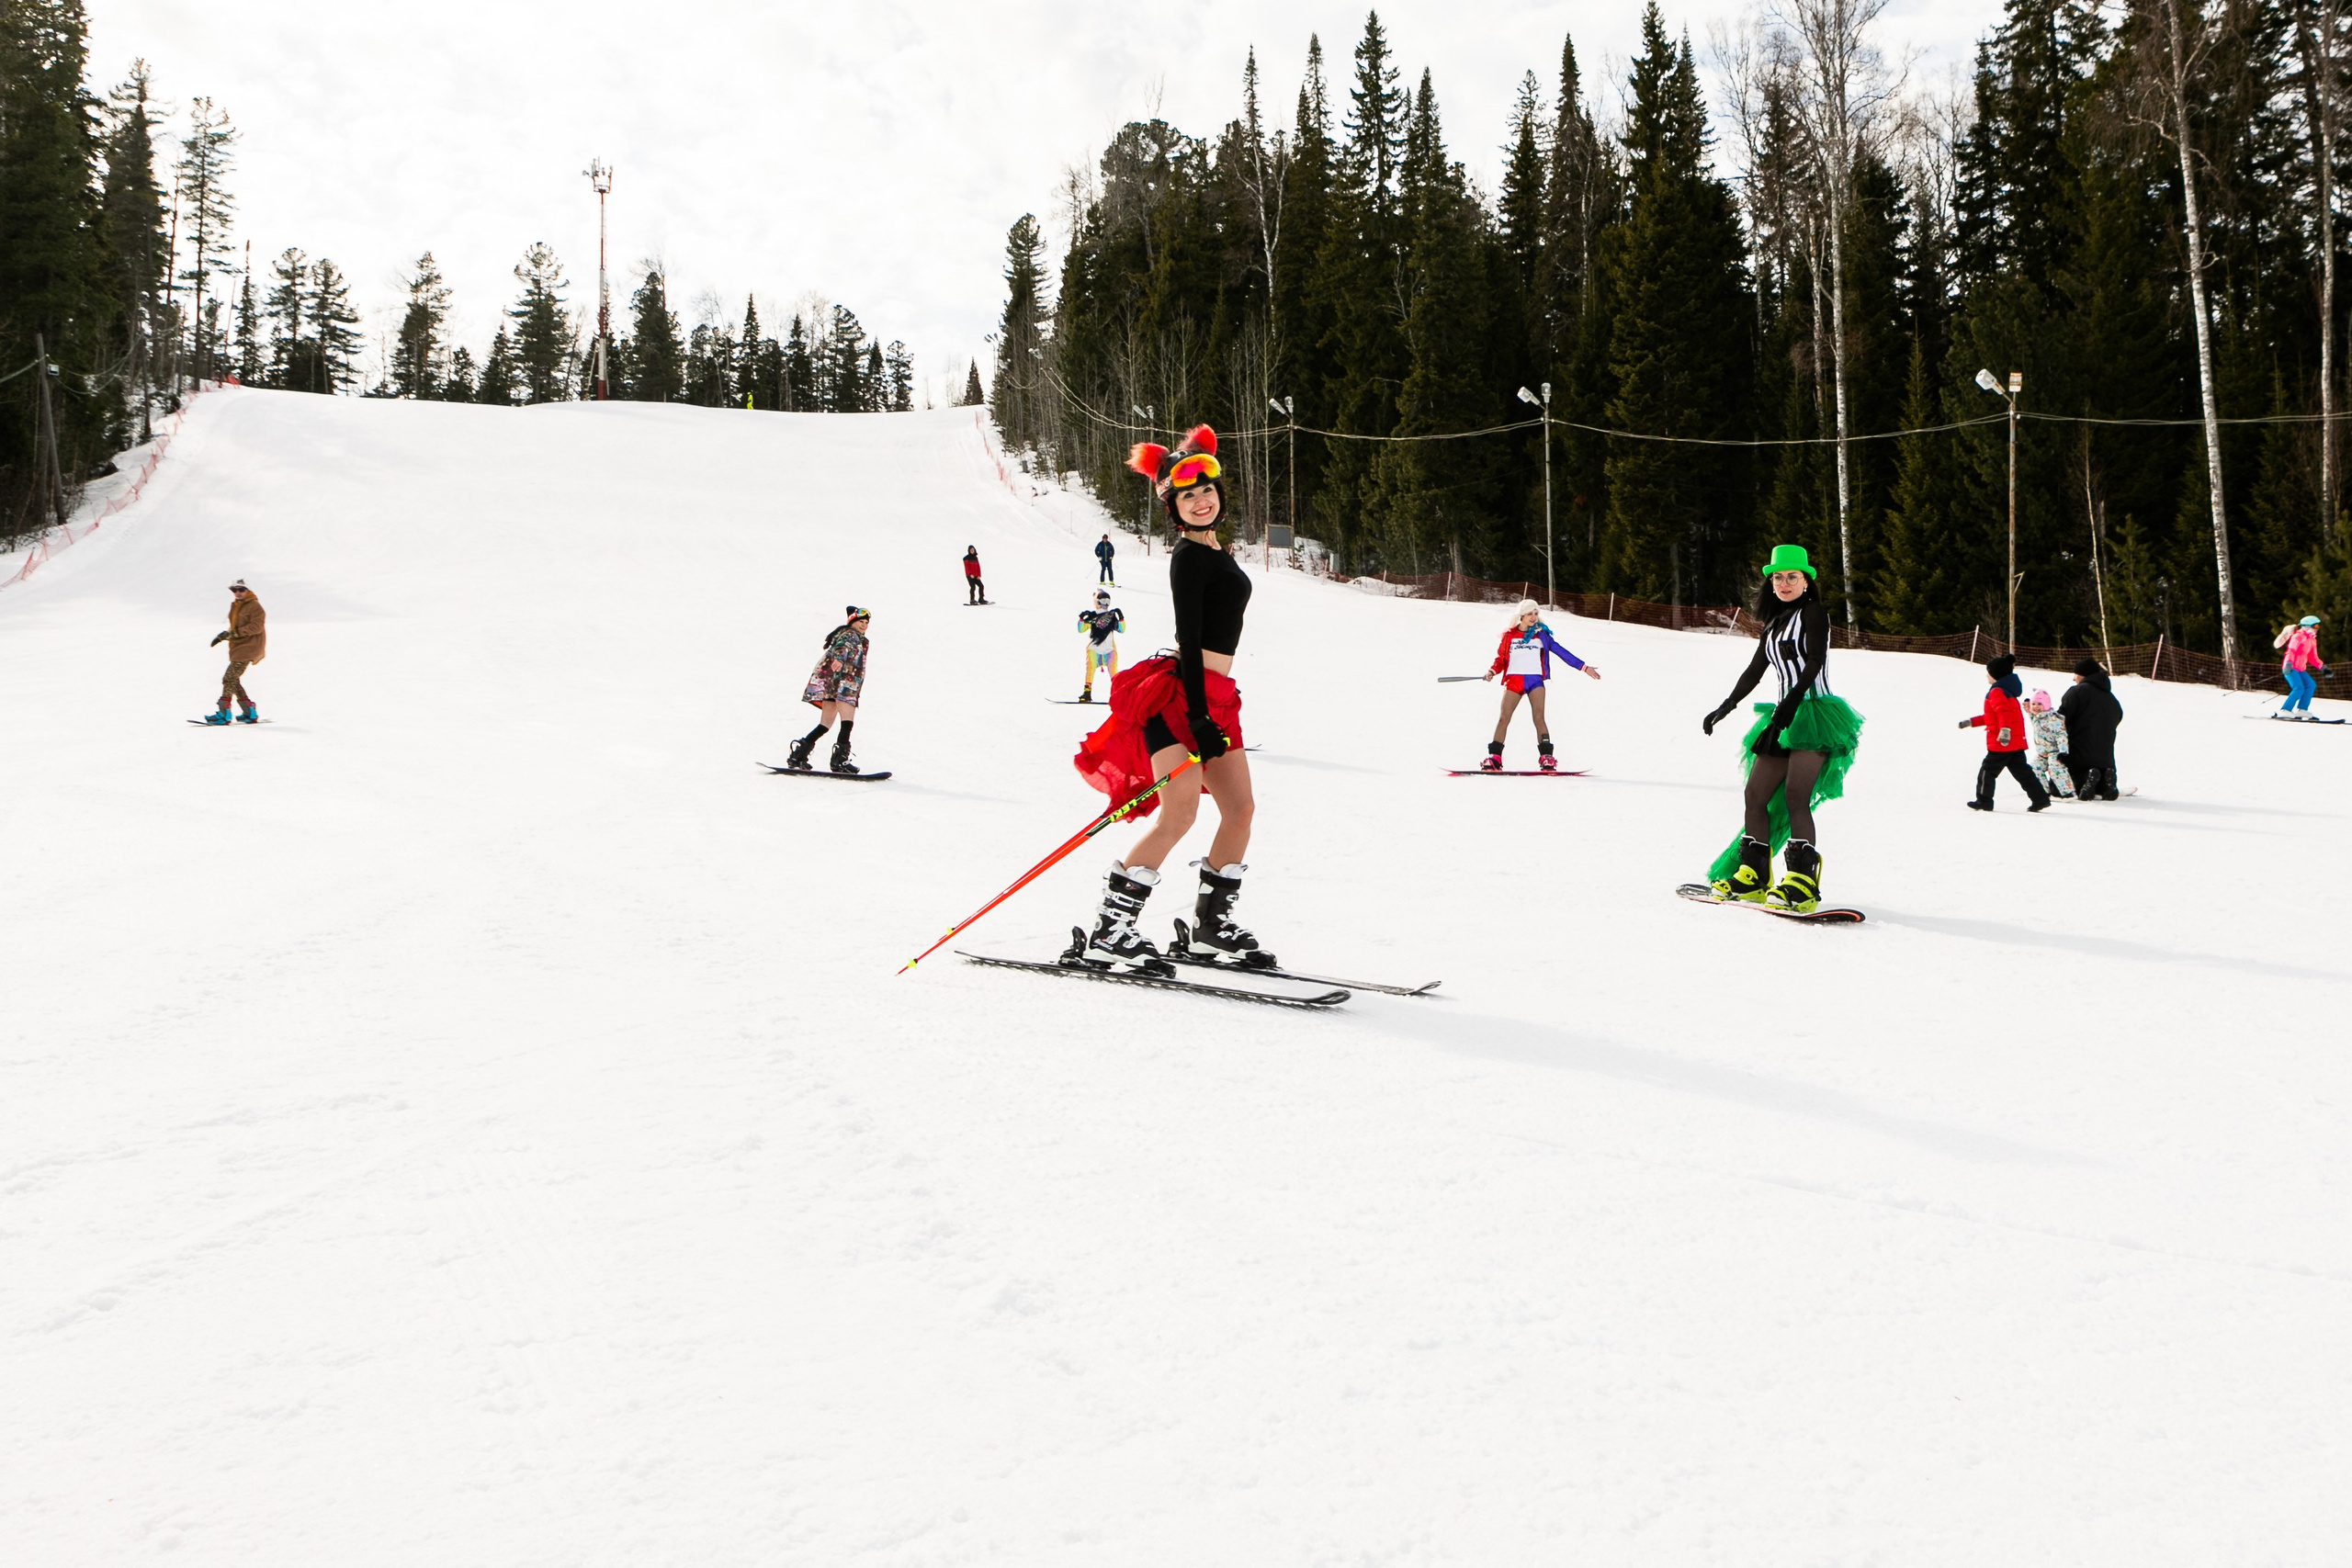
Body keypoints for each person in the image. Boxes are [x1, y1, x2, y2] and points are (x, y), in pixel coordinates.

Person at [1072, 424, 1268, 967]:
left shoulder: (1216, 551)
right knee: (1177, 814)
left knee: (1240, 810)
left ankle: (1210, 927)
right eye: (1188, 496)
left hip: (1217, 694)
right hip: (1182, 697)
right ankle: (1112, 928)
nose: (1201, 501)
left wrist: (1213, 710)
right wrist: (1200, 717)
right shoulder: (1188, 556)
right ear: (1174, 508)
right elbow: (1188, 636)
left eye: (1207, 491)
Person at [1700, 545, 1865, 912]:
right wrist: (1726, 706)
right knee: (1755, 795)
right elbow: (1755, 670)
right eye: (1778, 577)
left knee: (1794, 797)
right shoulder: (1775, 622)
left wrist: (1793, 702)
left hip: (1814, 715)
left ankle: (1802, 883)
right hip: (1781, 717)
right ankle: (1753, 877)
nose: (1785, 583)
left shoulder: (1814, 613)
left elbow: (1815, 661)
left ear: (1806, 581)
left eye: (1792, 576)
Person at [1480, 599, 1600, 771]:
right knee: (1503, 718)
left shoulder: (1541, 635)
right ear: (1521, 615)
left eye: (1536, 614)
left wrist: (1584, 667)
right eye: (1530, 613)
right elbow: (1501, 660)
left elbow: (1561, 652)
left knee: (1538, 717)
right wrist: (1492, 671)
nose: (1534, 617)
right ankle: (1495, 758)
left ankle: (1547, 758)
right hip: (1513, 681)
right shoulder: (1509, 636)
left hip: (1535, 681)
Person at [1961, 654, 2051, 812]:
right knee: (2023, 773)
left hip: (2002, 743)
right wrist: (1971, 722)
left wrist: (2004, 731)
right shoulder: (2007, 690)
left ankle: (1983, 801)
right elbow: (1993, 716)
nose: (1987, 675)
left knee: (1987, 771)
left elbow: (2003, 713)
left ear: (1995, 674)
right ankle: (2040, 798)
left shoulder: (1996, 691)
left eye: (1988, 671)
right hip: (2015, 742)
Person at [789, 606, 872, 773]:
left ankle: (799, 754)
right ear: (852, 622)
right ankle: (840, 761)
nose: (864, 625)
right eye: (861, 622)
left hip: (831, 685)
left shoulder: (854, 637)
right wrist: (839, 660)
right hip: (844, 685)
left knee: (825, 724)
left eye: (866, 622)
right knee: (847, 722)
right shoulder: (851, 635)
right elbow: (842, 648)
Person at [2059, 659, 2124, 799]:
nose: (2073, 678)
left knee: (2060, 786)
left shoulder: (2076, 692)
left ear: (2082, 675)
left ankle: (2085, 778)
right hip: (2105, 757)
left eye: (2075, 674)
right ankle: (2107, 780)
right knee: (2099, 778)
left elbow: (2061, 719)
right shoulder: (2110, 697)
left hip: (2079, 753)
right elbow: (2119, 716)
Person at [203, 579, 266, 724]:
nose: (237, 593)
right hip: (238, 648)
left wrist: (236, 633)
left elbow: (256, 626)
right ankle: (249, 710)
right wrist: (225, 635)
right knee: (233, 680)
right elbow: (235, 628)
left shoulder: (254, 606)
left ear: (248, 591)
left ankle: (224, 713)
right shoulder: (236, 606)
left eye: (241, 590)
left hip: (249, 648)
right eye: (234, 590)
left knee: (229, 678)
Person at [2025, 688, 2075, 800]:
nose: (2036, 707)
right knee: (2033, 768)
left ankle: (2068, 792)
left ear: (2046, 705)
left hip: (2055, 752)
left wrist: (2063, 751)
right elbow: (2030, 713)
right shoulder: (2036, 717)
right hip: (2042, 753)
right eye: (2034, 704)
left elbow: (2061, 735)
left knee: (2055, 768)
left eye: (2039, 704)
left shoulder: (2053, 719)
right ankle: (2043, 791)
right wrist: (2028, 705)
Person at [2274, 615, 2328, 717]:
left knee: (2311, 685)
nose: (2317, 628)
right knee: (2298, 688)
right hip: (2290, 667)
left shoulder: (2312, 640)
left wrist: (2323, 668)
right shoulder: (2297, 637)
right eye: (2316, 626)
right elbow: (2291, 651)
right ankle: (2285, 710)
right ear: (2307, 626)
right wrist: (2288, 664)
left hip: (2300, 669)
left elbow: (2313, 658)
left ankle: (2302, 710)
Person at [1077, 588, 1124, 703]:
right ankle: (1088, 693)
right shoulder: (1095, 616)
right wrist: (1082, 620)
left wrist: (1120, 618)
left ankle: (1117, 693)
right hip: (1096, 649)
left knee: (1111, 670)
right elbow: (1082, 629)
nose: (1105, 605)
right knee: (1092, 669)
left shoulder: (1110, 616)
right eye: (1103, 602)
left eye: (1107, 602)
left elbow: (1121, 629)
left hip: (1108, 649)